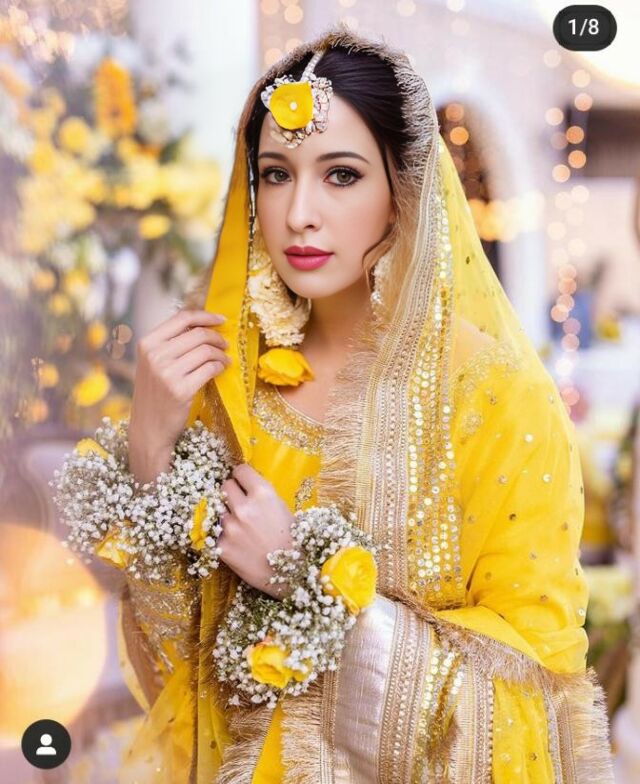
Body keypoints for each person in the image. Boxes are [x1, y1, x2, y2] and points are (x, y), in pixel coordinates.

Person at [107, 23, 613, 783]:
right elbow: (176, 685)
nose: (299, 213)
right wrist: (152, 451)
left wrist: (301, 576)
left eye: (340, 175)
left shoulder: (489, 395)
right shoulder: (228, 384)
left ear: (402, 190)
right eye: (276, 174)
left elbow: (531, 709)